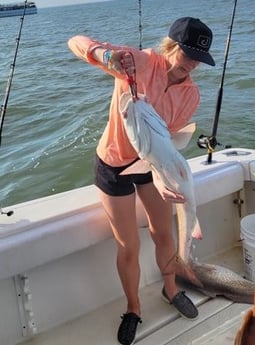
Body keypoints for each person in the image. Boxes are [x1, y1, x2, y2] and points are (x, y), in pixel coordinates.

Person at [68, 16, 215, 345]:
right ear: (171, 45)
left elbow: (167, 144)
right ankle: (133, 309)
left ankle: (171, 288)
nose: (191, 64)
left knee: (164, 233)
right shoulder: (138, 61)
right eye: (187, 53)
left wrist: (162, 177)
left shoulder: (191, 96)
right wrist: (105, 56)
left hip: (151, 166)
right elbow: (75, 41)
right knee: (128, 246)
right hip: (113, 164)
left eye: (199, 59)